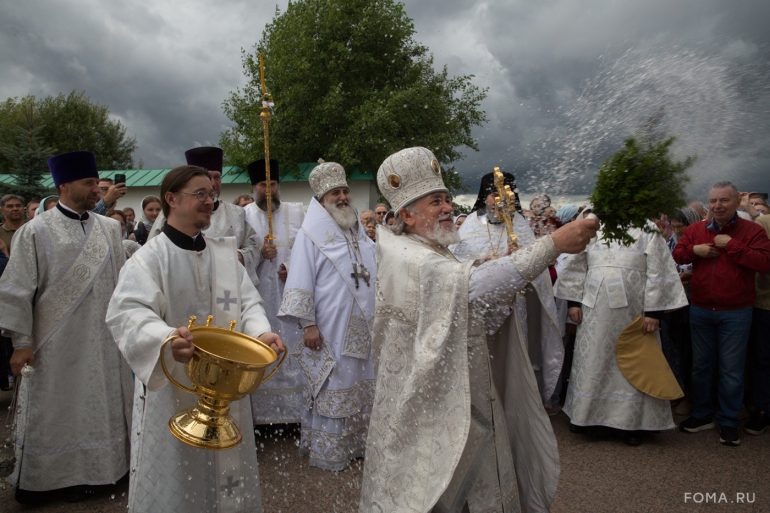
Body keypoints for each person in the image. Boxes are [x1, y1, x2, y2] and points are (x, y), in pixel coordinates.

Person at [359, 146, 598, 513]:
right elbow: (470, 288)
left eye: (446, 199)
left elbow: (463, 299)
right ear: (406, 215)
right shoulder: (407, 256)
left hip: (461, 389)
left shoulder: (426, 247)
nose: (447, 208)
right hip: (433, 402)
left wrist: (494, 268)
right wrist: (551, 246)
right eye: (435, 202)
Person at [106, 164, 285, 513]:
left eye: (211, 194)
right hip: (174, 383)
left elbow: (248, 303)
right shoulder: (150, 258)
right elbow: (128, 312)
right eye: (200, 194)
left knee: (228, 472)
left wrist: (260, 333)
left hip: (226, 386)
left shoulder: (224, 255)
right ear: (171, 199)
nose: (209, 201)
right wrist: (165, 338)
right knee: (179, 474)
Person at [0, 151, 131, 503]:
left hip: (104, 338)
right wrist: (22, 342)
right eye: (88, 183)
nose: (95, 189)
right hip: (55, 341)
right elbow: (15, 291)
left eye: (96, 183)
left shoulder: (110, 228)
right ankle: (51, 480)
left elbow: (122, 281)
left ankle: (107, 472)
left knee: (102, 402)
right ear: (64, 186)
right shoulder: (35, 231)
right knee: (57, 407)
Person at [555, 218, 688, 445]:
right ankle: (588, 418)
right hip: (594, 311)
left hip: (633, 312)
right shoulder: (593, 224)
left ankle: (631, 424)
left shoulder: (647, 228)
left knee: (631, 364)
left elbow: (658, 269)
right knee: (594, 361)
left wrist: (654, 312)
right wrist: (573, 302)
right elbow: (577, 263)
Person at [279, 161, 376, 471]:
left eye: (345, 191)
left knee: (360, 379)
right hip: (330, 324)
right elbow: (300, 278)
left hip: (363, 321)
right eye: (335, 193)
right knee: (334, 381)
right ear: (322, 200)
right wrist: (308, 324)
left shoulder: (357, 229)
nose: (343, 197)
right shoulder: (310, 234)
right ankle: (329, 450)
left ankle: (358, 444)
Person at [452, 171, 564, 411]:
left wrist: (521, 261)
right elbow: (456, 268)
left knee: (513, 358)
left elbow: (538, 272)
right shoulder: (470, 225)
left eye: (506, 193)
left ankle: (513, 407)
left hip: (515, 306)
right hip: (479, 308)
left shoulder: (520, 226)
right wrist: (484, 262)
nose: (500, 199)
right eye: (494, 193)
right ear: (484, 196)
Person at [673, 181, 770, 446]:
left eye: (724, 200)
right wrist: (695, 250)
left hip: (736, 312)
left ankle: (728, 421)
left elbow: (765, 262)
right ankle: (702, 414)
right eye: (713, 201)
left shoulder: (751, 230)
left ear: (737, 202)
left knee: (731, 370)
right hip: (702, 309)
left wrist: (733, 246)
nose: (717, 205)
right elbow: (677, 254)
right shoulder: (696, 230)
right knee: (701, 367)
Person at [243, 159, 306, 425]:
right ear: (254, 187)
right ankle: (262, 417)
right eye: (262, 185)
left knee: (291, 347)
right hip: (259, 296)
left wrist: (290, 266)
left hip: (290, 295)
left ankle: (295, 415)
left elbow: (307, 249)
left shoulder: (297, 212)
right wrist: (259, 253)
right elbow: (238, 255)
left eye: (272, 184)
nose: (268, 190)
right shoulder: (243, 216)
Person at [148, 146, 260, 284]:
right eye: (207, 177)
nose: (212, 183)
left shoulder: (237, 213)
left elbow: (254, 247)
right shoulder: (170, 215)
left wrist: (238, 257)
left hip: (228, 283)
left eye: (217, 177)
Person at [746, 212, 770, 435]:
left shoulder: (763, 222)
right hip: (764, 303)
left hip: (764, 304)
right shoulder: (764, 223)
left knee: (763, 360)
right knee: (763, 359)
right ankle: (762, 408)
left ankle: (762, 409)